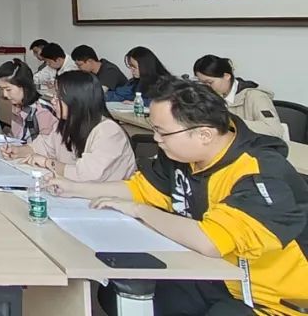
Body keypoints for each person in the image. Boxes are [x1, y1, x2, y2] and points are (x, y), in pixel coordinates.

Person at [48, 78, 308, 316]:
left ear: (204, 134)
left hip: (269, 299)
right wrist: (73, 188)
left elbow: (210, 241)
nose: (156, 139)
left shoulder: (261, 173)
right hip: (213, 275)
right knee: (120, 291)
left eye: (163, 132)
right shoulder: (182, 156)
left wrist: (139, 210)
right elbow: (140, 189)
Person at [2, 71, 135, 181]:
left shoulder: (108, 131)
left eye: (58, 97)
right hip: (77, 194)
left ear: (77, 100)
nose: (53, 101)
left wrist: (48, 163)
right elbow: (41, 147)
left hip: (108, 200)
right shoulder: (64, 123)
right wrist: (18, 151)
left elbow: (87, 175)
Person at [194, 55, 284, 138]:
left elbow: (274, 130)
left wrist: (231, 123)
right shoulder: (210, 97)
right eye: (201, 83)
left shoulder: (255, 96)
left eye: (209, 82)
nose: (205, 87)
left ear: (226, 76)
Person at [0, 59, 57, 144]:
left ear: (24, 85)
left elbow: (48, 147)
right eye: (2, 89)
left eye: (8, 89)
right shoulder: (17, 105)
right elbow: (17, 137)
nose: (5, 94)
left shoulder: (42, 111)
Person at [106, 46, 173, 104]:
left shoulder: (166, 83)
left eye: (134, 67)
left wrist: (139, 102)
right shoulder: (134, 82)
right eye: (130, 67)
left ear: (145, 66)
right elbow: (118, 94)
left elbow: (165, 102)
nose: (131, 70)